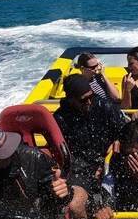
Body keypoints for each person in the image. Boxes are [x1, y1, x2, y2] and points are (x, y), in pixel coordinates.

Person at [54, 74, 127, 208]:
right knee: (73, 200)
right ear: (70, 100)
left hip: (109, 160)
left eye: (91, 97)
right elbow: (63, 152)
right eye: (83, 100)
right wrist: (89, 170)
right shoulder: (60, 118)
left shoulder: (104, 106)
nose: (89, 102)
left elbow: (124, 129)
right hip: (80, 168)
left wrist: (118, 140)